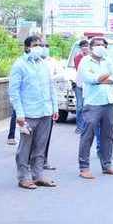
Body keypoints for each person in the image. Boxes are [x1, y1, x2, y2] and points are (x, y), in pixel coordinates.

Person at [8, 35, 58, 190]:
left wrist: (55, 108)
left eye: (41, 45)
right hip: (28, 113)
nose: (39, 47)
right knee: (25, 148)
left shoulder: (44, 64)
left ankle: (38, 175)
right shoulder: (19, 65)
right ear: (27, 47)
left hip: (45, 112)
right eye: (35, 45)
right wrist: (20, 114)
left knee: (40, 146)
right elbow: (14, 92)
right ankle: (23, 177)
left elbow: (51, 87)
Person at [77, 37, 113, 179]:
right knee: (87, 135)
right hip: (92, 103)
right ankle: (84, 167)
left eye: (102, 44)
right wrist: (105, 78)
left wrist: (102, 79)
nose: (101, 46)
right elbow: (90, 79)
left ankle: (107, 165)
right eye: (97, 44)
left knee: (107, 136)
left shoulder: (108, 60)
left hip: (108, 101)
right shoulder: (85, 61)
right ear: (91, 47)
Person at [42, 43, 66, 171]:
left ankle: (43, 161)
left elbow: (62, 75)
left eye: (46, 46)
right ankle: (29, 162)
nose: (44, 48)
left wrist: (51, 78)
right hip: (35, 106)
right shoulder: (32, 63)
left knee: (46, 134)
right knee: (31, 136)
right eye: (41, 46)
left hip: (49, 103)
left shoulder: (52, 62)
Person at [73, 40, 90, 134]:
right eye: (83, 46)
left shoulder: (92, 57)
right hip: (79, 85)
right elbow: (79, 70)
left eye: (86, 46)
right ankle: (79, 126)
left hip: (89, 85)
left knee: (87, 106)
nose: (85, 48)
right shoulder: (77, 57)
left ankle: (86, 126)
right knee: (80, 106)